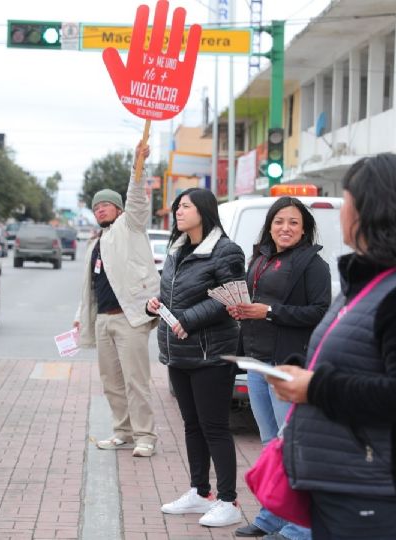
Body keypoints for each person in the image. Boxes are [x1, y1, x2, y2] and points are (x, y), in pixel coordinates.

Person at [268, 153, 396, 540]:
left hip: (383, 495)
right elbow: (352, 357)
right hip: (347, 486)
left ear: (370, 211)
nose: (341, 212)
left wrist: (315, 387)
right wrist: (299, 370)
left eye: (346, 202)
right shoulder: (367, 284)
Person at [228, 197, 331, 540]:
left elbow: (318, 311)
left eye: (293, 223)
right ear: (269, 225)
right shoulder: (258, 258)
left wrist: (268, 312)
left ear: (304, 229)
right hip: (257, 361)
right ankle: (272, 516)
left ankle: (301, 525)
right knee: (271, 444)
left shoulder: (312, 264)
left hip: (287, 363)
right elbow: (253, 303)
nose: (285, 228)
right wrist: (242, 310)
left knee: (292, 445)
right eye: (279, 222)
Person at [145, 187, 246, 528]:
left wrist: (188, 318)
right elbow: (172, 293)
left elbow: (230, 297)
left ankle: (228, 500)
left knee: (215, 426)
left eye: (185, 206)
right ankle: (199, 492)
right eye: (177, 206)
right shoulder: (177, 250)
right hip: (179, 352)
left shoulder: (226, 250)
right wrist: (156, 305)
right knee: (192, 425)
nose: (178, 211)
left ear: (204, 210)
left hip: (212, 353)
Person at [74, 142, 160, 458]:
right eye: (96, 207)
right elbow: (90, 286)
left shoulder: (130, 225)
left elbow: (137, 197)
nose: (100, 210)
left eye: (106, 205)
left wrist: (137, 165)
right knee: (111, 381)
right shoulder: (95, 243)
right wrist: (80, 315)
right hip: (103, 320)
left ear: (119, 208)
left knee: (137, 381)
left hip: (130, 318)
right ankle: (122, 432)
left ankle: (145, 436)